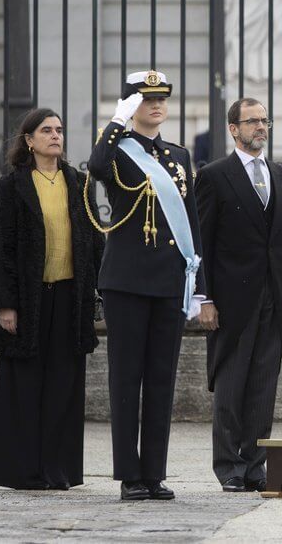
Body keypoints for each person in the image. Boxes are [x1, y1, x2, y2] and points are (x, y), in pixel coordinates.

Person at [87, 70, 205, 501]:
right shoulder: (117, 150)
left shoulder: (177, 155)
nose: (155, 105)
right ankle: (129, 475)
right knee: (125, 379)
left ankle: (154, 473)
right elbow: (96, 167)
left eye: (161, 99)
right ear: (131, 105)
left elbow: (190, 221)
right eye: (145, 99)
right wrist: (115, 123)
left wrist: (200, 286)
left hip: (169, 280)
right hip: (126, 280)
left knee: (161, 379)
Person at [0, 108, 103, 490]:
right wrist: (5, 304)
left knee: (64, 385)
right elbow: (3, 248)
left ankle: (59, 470)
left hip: (70, 298)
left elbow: (94, 240)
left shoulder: (79, 182)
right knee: (25, 385)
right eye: (46, 130)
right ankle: (23, 471)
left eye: (59, 130)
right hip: (28, 300)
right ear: (29, 140)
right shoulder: (12, 185)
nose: (55, 136)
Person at [195, 98, 282, 493]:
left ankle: (256, 464)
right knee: (231, 383)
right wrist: (204, 298)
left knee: (262, 385)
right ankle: (229, 466)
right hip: (230, 299)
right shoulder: (214, 176)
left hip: (272, 297)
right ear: (233, 129)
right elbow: (202, 241)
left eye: (264, 120)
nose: (260, 126)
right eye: (252, 121)